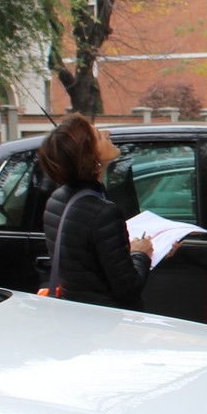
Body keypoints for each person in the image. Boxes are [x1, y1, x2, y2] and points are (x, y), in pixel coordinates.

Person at [37, 114, 156, 310]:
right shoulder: (103, 212)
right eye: (100, 136)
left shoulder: (57, 199)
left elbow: (88, 263)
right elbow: (128, 289)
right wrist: (141, 254)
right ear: (93, 159)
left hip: (78, 314)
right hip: (106, 321)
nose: (107, 133)